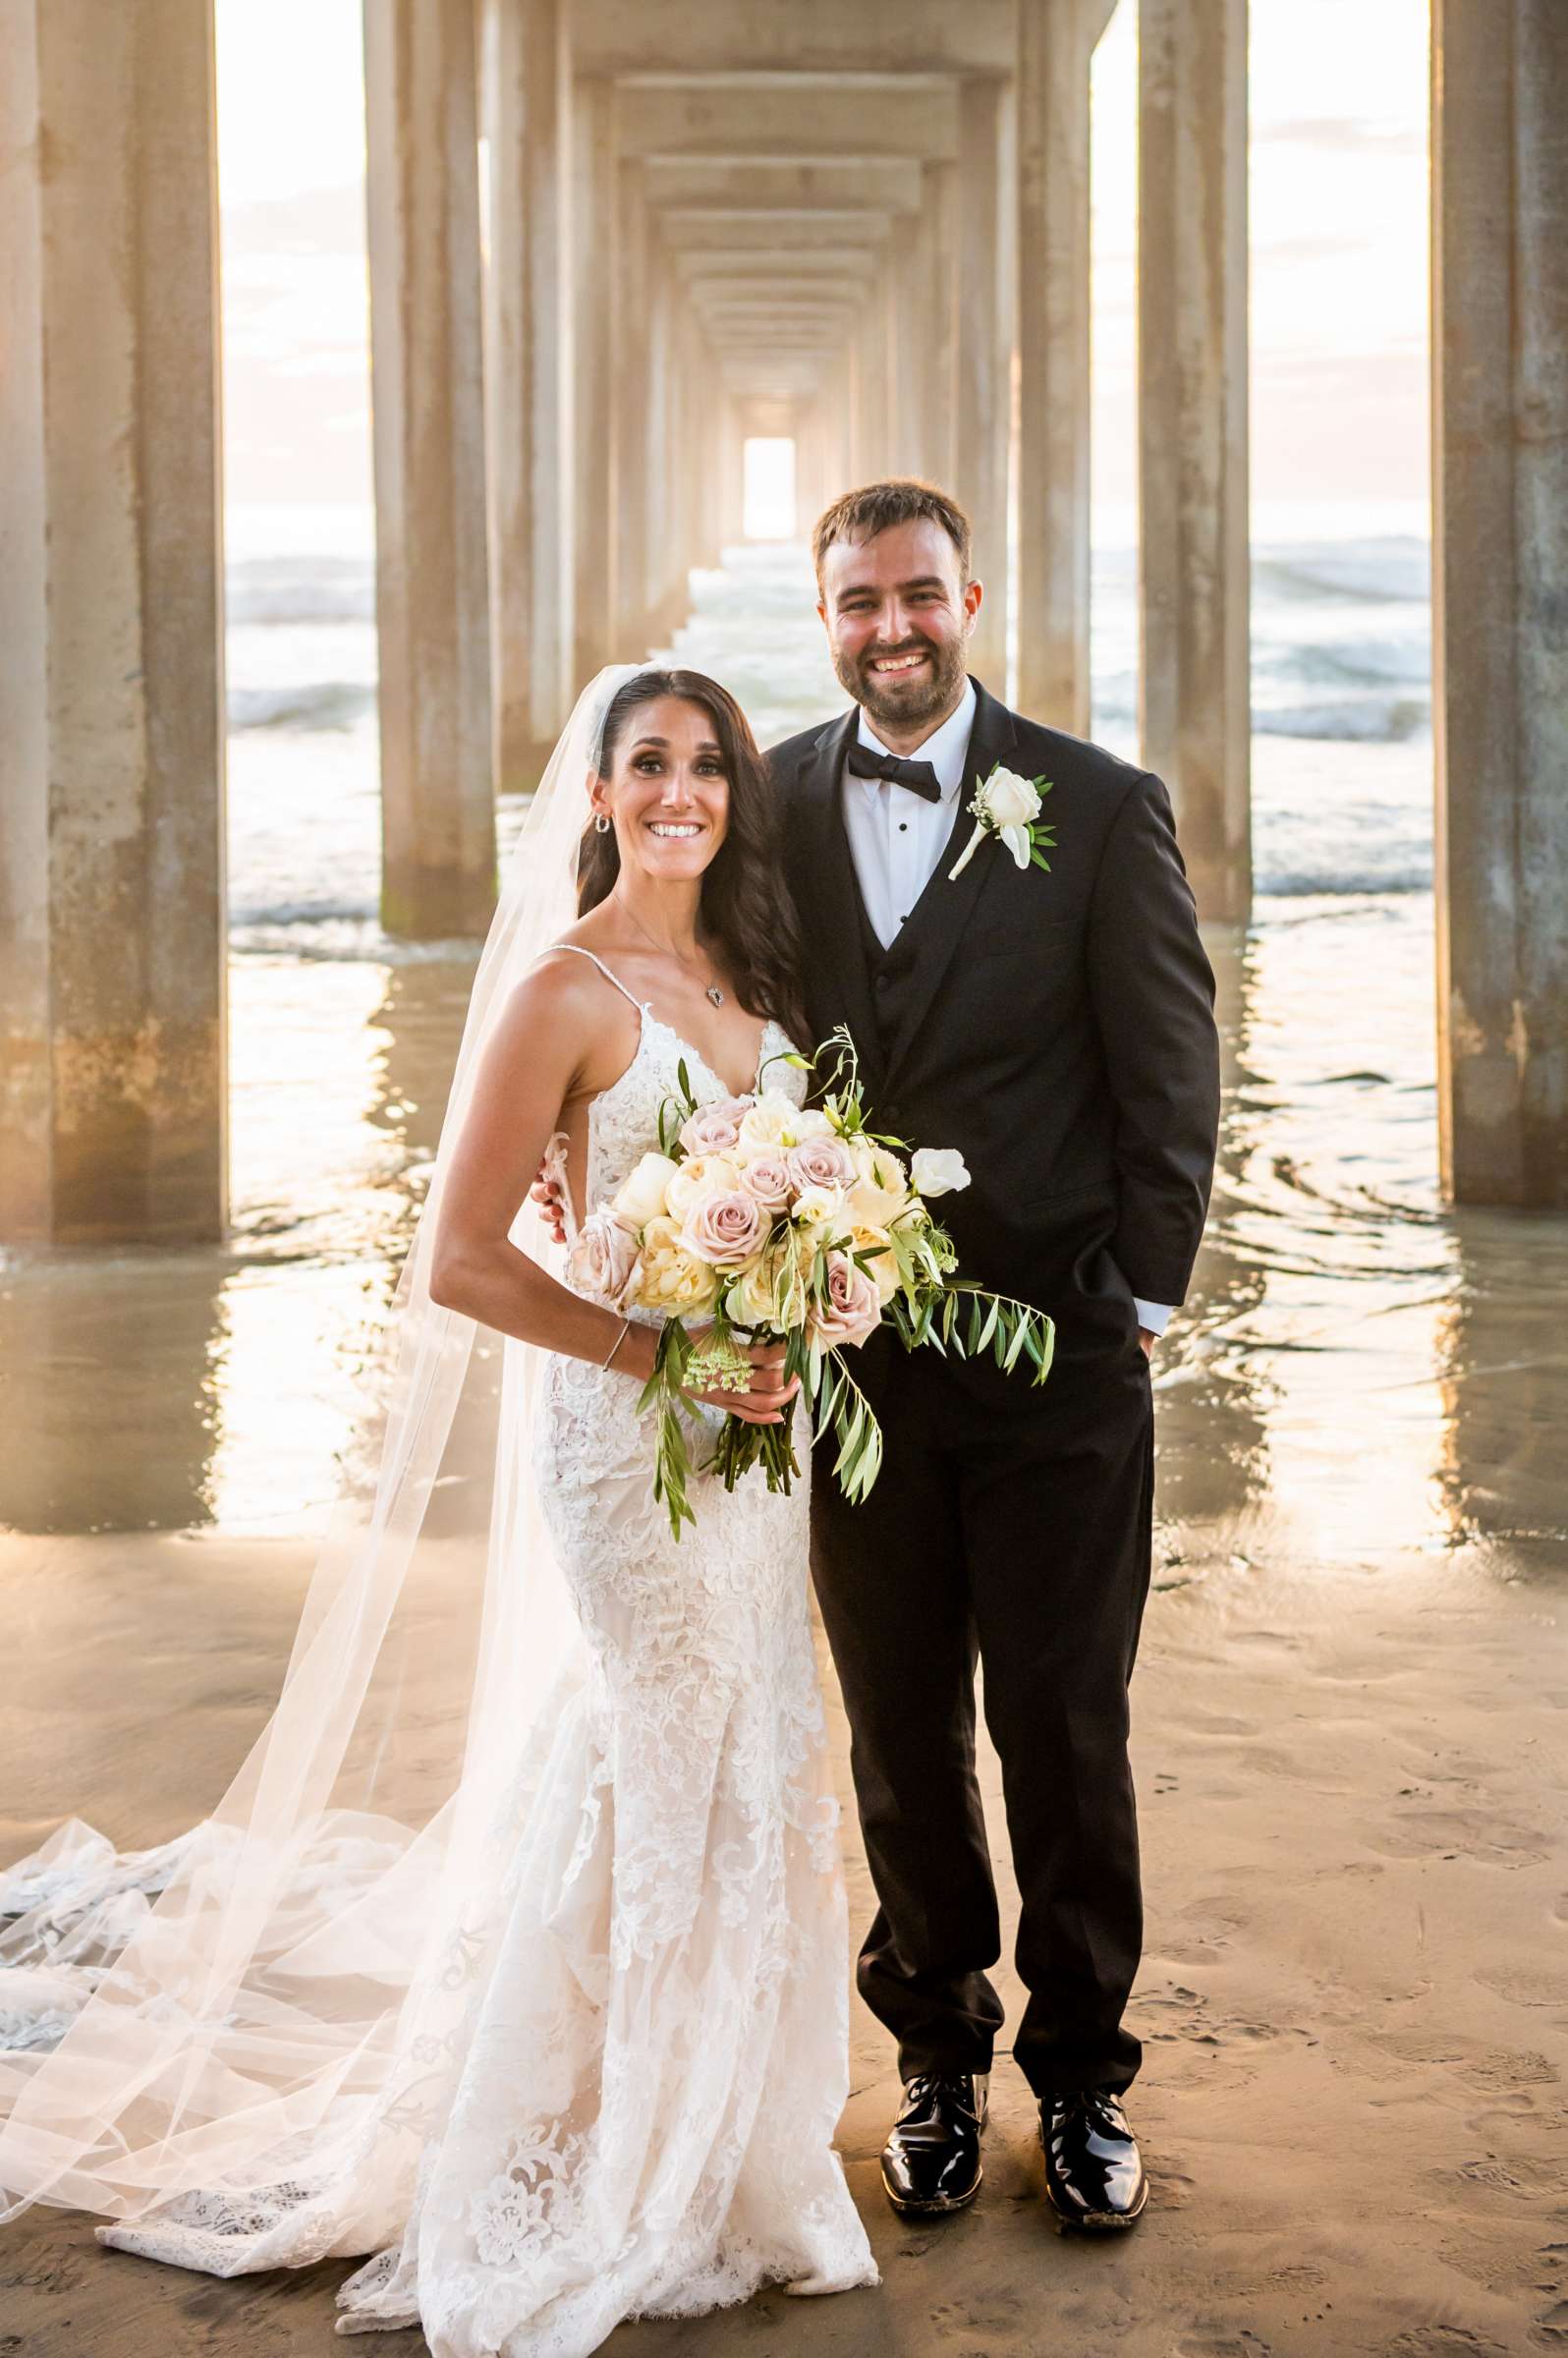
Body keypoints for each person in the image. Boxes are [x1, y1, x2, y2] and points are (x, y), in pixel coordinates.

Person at [0, 666, 876, 2354]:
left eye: (708, 767)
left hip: (748, 1451)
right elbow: (461, 1259)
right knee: (652, 1736)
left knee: (751, 1742)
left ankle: (723, 2143)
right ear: (602, 795)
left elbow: (784, 1209)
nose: (682, 792)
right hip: (627, 1443)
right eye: (649, 766)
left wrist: (799, 1314)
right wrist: (660, 1349)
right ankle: (605, 2156)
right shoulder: (562, 990)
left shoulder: (756, 979)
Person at [766, 478, 1221, 2232]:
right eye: (860, 601)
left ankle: (1088, 2080)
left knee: (1063, 1726)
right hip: (852, 1362)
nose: (892, 628)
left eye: (920, 596)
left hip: (1059, 1366)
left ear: (977, 597)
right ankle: (938, 2059)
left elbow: (1169, 1067)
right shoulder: (774, 803)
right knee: (898, 1735)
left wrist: (1144, 1301)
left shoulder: (1096, 808)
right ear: (826, 618)